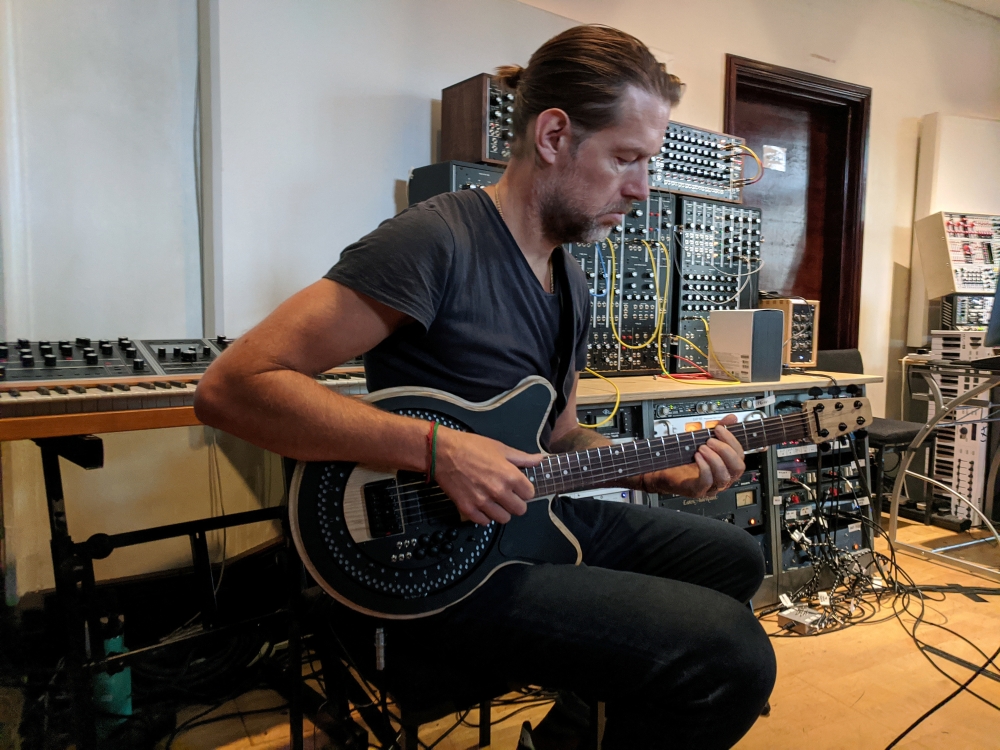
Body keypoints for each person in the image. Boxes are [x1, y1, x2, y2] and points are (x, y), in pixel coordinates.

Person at [195, 24, 776, 750]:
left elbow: (560, 435)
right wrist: (438, 450)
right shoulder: (434, 241)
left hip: (527, 521)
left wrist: (654, 469)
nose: (641, 189)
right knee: (731, 657)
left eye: (647, 163)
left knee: (735, 559)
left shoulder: (571, 278)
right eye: (626, 158)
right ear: (554, 136)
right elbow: (233, 387)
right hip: (435, 559)